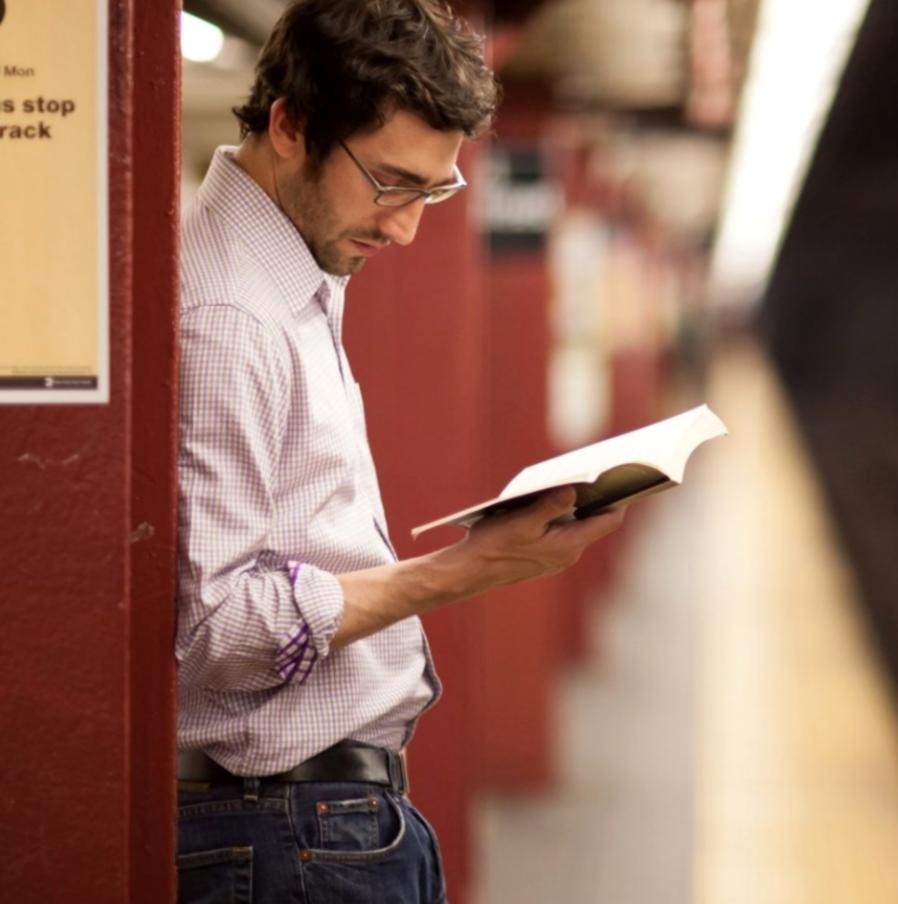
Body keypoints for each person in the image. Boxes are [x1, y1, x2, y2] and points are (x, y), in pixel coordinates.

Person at [172, 2, 622, 901]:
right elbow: (210, 632)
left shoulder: (289, 273)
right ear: (292, 124)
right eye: (389, 182)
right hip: (286, 835)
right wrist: (458, 572)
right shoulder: (229, 318)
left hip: (312, 827)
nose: (406, 228)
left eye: (434, 191)